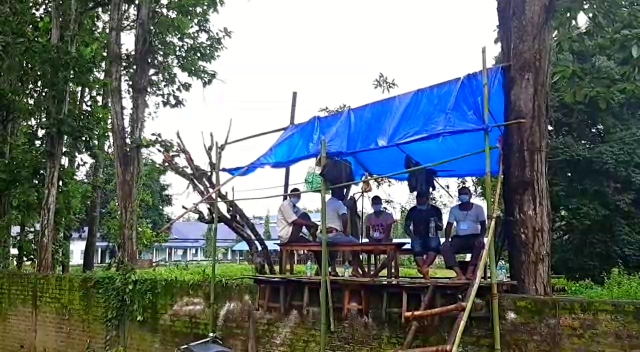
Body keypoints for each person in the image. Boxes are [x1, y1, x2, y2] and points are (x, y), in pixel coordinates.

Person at [441, 186, 487, 281]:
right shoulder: (454, 209)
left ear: (470, 195)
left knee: (479, 245)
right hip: (459, 238)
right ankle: (459, 274)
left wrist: (481, 237)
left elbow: (483, 225)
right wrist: (446, 240)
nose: (463, 196)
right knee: (445, 247)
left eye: (465, 194)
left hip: (474, 237)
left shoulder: (478, 209)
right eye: (461, 194)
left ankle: (470, 272)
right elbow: (449, 225)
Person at [277, 188, 320, 273]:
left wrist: (314, 225)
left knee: (316, 247)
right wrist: (312, 225)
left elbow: (305, 221)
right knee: (304, 215)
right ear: (290, 196)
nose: (297, 198)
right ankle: (315, 236)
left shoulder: (296, 208)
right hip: (287, 235)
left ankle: (322, 270)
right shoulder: (286, 205)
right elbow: (295, 221)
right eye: (295, 196)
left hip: (294, 235)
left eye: (298, 196)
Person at [325, 188, 364, 277]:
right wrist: (345, 231)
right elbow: (344, 217)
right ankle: (355, 269)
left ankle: (333, 269)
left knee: (332, 247)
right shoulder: (339, 204)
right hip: (334, 234)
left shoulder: (326, 203)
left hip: (323, 235)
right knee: (357, 244)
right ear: (338, 192)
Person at [404, 191, 443, 280]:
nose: (419, 200)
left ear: (427, 199)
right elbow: (406, 227)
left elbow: (441, 227)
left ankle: (424, 268)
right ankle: (425, 273)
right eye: (418, 198)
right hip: (418, 236)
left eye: (422, 198)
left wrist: (436, 223)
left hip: (432, 236)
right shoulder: (413, 211)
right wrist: (411, 236)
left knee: (433, 244)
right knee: (416, 245)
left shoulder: (435, 210)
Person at [364, 196, 395, 277]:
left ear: (381, 204)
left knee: (392, 255)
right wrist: (373, 242)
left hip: (385, 240)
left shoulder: (388, 216)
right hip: (373, 240)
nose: (376, 205)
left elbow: (388, 232)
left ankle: (376, 272)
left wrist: (382, 243)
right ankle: (365, 273)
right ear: (372, 205)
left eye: (377, 203)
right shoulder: (368, 217)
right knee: (361, 249)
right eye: (374, 204)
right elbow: (367, 234)